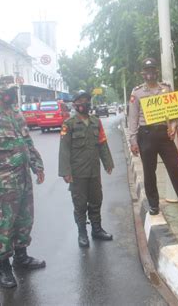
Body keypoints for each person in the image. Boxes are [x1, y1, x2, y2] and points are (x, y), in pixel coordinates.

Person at [0, 75, 46, 289]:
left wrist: (37, 165)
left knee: (25, 219)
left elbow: (26, 142)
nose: (12, 93)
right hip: (2, 184)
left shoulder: (15, 113)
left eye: (13, 89)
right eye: (8, 90)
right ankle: (3, 267)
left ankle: (21, 257)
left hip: (22, 178)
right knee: (4, 224)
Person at [128, 58, 178, 215]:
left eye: (152, 70)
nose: (150, 73)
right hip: (146, 135)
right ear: (142, 73)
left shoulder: (166, 89)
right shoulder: (137, 92)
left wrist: (175, 127)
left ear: (157, 72)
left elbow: (175, 112)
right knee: (149, 171)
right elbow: (132, 118)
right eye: (147, 71)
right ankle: (153, 204)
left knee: (176, 167)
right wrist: (133, 141)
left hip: (164, 134)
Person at [59, 91, 115, 248]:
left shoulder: (96, 122)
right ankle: (82, 233)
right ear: (75, 104)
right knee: (80, 204)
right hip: (78, 173)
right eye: (81, 101)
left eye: (87, 100)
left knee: (96, 200)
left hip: (93, 170)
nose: (85, 103)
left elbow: (102, 143)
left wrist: (107, 163)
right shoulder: (69, 124)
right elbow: (64, 149)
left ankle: (97, 230)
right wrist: (66, 172)